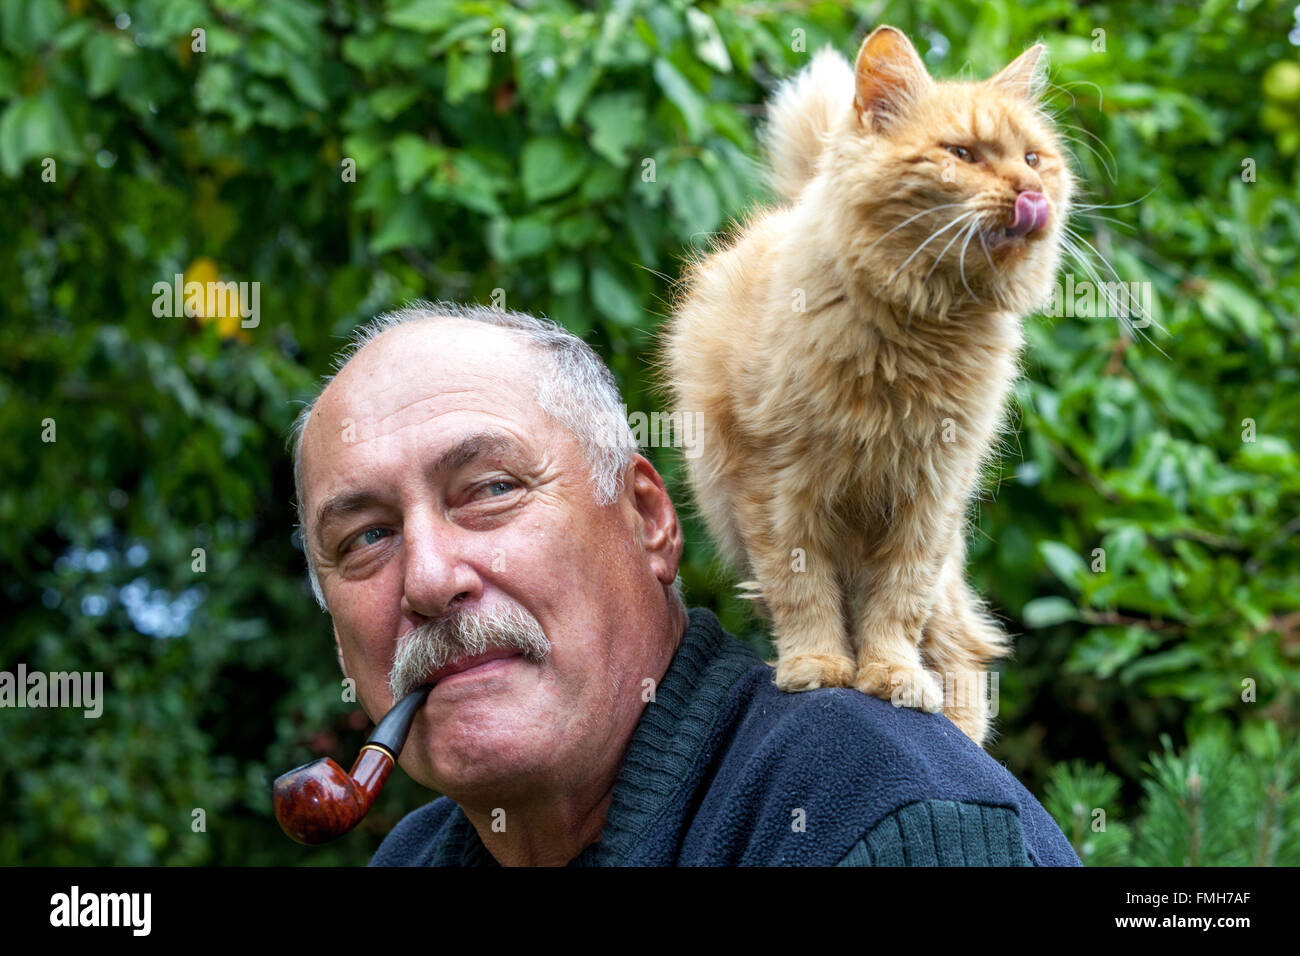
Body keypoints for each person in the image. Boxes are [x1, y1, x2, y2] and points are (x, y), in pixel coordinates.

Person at [289, 300, 1081, 867]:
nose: (429, 580)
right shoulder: (415, 856)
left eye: (492, 489)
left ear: (647, 520)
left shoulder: (884, 817)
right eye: (366, 538)